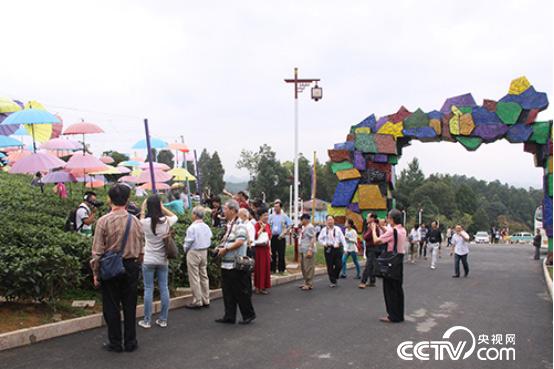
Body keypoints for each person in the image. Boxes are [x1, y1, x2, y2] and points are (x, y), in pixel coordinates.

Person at [90, 184, 145, 353]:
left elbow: (97, 251)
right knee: (130, 305)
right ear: (127, 200)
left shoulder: (103, 221)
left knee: (111, 306)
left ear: (109, 199)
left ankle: (115, 342)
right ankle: (130, 341)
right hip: (131, 266)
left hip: (111, 267)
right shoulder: (136, 221)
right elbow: (142, 248)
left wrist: (95, 272)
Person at [137, 196, 178, 328]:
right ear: (159, 205)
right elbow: (175, 216)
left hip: (148, 259)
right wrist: (162, 207)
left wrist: (143, 208)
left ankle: (147, 320)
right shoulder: (166, 221)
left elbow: (139, 222)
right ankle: (163, 319)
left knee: (148, 289)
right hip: (162, 260)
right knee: (164, 288)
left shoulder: (145, 222)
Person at [214, 199, 256, 324]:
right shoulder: (229, 225)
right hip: (226, 264)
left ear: (233, 210)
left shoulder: (240, 225)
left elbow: (240, 241)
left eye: (226, 209)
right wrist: (219, 247)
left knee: (240, 291)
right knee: (227, 292)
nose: (224, 211)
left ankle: (248, 315)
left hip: (235, 264)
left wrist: (225, 249)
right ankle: (229, 316)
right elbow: (227, 240)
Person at [371, 209, 406, 323]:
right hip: (398, 260)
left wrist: (373, 230)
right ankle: (399, 315)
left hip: (391, 261)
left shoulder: (392, 231)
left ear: (391, 219)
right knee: (397, 289)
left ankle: (392, 315)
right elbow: (391, 233)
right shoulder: (402, 230)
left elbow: (376, 241)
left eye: (388, 218)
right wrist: (381, 227)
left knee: (389, 290)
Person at [183, 206, 213, 309]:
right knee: (204, 275)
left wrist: (185, 250)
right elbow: (210, 238)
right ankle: (206, 299)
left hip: (194, 251)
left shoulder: (192, 227)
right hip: (204, 251)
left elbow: (188, 242)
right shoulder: (206, 226)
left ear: (195, 215)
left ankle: (197, 300)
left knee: (194, 277)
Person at [317, 215, 347, 288]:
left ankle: (335, 276)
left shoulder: (338, 229)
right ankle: (333, 281)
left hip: (337, 248)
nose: (330, 221)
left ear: (334, 221)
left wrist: (345, 248)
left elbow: (343, 239)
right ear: (326, 221)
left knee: (339, 264)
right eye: (328, 220)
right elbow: (319, 239)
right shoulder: (324, 230)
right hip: (328, 249)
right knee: (329, 265)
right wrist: (324, 243)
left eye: (331, 219)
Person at [360, 213, 385, 288]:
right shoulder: (369, 226)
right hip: (370, 248)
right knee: (370, 265)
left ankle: (363, 282)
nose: (366, 218)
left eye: (368, 217)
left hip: (373, 248)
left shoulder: (373, 226)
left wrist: (364, 236)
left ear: (372, 219)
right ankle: (372, 281)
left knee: (368, 265)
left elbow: (366, 236)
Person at [268, 199, 292, 274]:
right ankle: (273, 269)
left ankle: (282, 269)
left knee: (281, 253)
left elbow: (290, 224)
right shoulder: (271, 216)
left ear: (280, 207)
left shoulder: (284, 216)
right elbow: (268, 225)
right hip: (273, 236)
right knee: (273, 253)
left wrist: (285, 232)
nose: (275, 208)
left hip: (281, 237)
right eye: (274, 207)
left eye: (277, 207)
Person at [253, 207, 272, 294]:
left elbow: (269, 237)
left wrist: (270, 250)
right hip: (259, 250)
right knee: (259, 268)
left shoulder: (268, 225)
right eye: (264, 215)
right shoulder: (256, 225)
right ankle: (258, 286)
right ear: (260, 216)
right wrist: (261, 229)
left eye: (267, 215)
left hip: (266, 249)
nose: (266, 217)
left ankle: (263, 286)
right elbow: (254, 237)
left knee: (266, 268)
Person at [299, 213, 317, 290]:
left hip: (308, 249)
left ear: (306, 220)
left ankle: (309, 283)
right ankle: (306, 282)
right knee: (304, 267)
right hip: (303, 249)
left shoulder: (310, 227)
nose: (301, 221)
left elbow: (313, 238)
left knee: (308, 267)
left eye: (301, 219)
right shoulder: (304, 227)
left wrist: (310, 249)